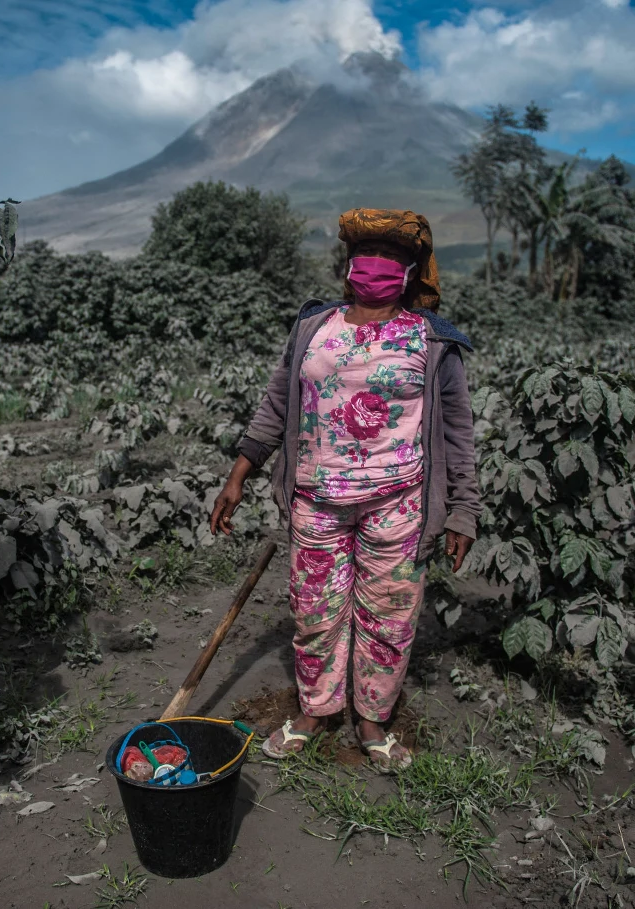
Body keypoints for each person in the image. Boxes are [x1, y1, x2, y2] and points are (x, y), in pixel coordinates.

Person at [208, 208, 482, 772]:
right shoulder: (313, 328)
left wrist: (462, 512)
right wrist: (239, 474)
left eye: (390, 259)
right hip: (315, 498)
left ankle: (373, 719)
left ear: (410, 272)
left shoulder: (433, 342)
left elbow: (458, 433)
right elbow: (277, 404)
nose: (375, 267)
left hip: (399, 503)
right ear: (347, 265)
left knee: (389, 615)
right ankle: (315, 709)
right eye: (366, 255)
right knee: (314, 611)